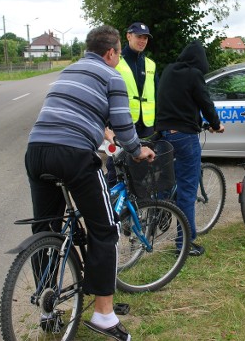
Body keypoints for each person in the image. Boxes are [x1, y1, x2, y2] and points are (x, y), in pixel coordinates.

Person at [25, 25, 155, 341]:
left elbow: (74, 112)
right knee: (105, 229)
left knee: (46, 227)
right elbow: (124, 126)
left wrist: (102, 130)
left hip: (36, 151)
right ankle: (104, 316)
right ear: (110, 52)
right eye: (118, 54)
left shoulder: (69, 71)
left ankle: (47, 307)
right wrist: (138, 150)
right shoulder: (112, 77)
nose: (118, 59)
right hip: (72, 154)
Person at [155, 40, 225, 256]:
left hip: (162, 135)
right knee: (187, 190)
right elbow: (205, 102)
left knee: (167, 180)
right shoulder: (194, 74)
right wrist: (215, 124)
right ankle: (184, 243)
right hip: (184, 137)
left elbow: (177, 101)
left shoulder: (168, 70)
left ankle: (162, 210)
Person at [105, 22, 158, 187]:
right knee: (116, 170)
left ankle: (137, 209)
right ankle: (109, 209)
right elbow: (105, 94)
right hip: (121, 126)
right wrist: (107, 126)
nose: (142, 41)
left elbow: (157, 94)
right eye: (138, 37)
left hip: (147, 127)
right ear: (128, 36)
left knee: (142, 173)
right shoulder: (116, 62)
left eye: (145, 38)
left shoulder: (150, 64)